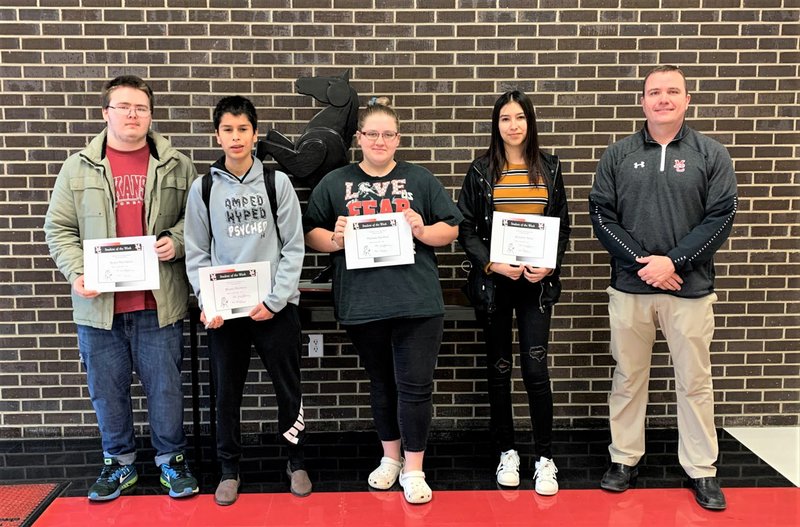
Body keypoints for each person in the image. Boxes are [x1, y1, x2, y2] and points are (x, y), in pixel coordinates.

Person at [43, 75, 199, 501]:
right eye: (124, 107)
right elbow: (58, 228)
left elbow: (198, 220)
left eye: (141, 108)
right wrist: (78, 273)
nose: (133, 115)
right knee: (106, 390)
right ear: (105, 113)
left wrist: (178, 241)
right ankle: (119, 464)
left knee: (165, 388)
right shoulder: (77, 166)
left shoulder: (176, 164)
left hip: (158, 303)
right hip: (99, 308)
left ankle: (171, 462)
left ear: (150, 115)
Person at [589, 65, 737, 511]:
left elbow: (721, 217)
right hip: (631, 290)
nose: (664, 99)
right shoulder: (618, 154)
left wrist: (672, 262)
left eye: (673, 91)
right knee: (629, 377)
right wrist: (645, 264)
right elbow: (601, 214)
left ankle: (701, 469)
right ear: (642, 102)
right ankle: (624, 459)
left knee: (694, 382)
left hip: (689, 291)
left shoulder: (711, 154)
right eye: (655, 92)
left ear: (687, 100)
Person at [303, 97, 463, 504]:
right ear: (358, 138)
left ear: (398, 139)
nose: (379, 140)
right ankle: (389, 458)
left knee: (415, 386)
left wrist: (423, 230)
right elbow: (310, 233)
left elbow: (452, 229)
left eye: (387, 134)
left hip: (417, 303)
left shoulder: (421, 179)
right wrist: (335, 239)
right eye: (371, 133)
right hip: (362, 302)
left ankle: (413, 468)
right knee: (381, 383)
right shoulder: (335, 181)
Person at [184, 96, 311, 505]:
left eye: (243, 129)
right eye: (227, 129)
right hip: (226, 313)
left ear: (255, 134)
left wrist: (275, 301)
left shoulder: (278, 183)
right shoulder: (203, 189)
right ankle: (229, 469)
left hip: (275, 309)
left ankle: (296, 461)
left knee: (289, 389)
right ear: (217, 135)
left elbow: (293, 247)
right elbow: (196, 251)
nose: (235, 137)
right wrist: (208, 300)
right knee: (226, 393)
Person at [457, 90, 571, 496]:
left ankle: (544, 458)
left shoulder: (551, 168)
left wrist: (550, 263)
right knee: (499, 371)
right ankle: (507, 451)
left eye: (519, 117)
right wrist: (490, 262)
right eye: (505, 118)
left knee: (536, 371)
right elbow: (465, 228)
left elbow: (562, 227)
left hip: (536, 288)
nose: (513, 125)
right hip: (495, 285)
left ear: (530, 122)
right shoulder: (481, 170)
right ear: (496, 125)